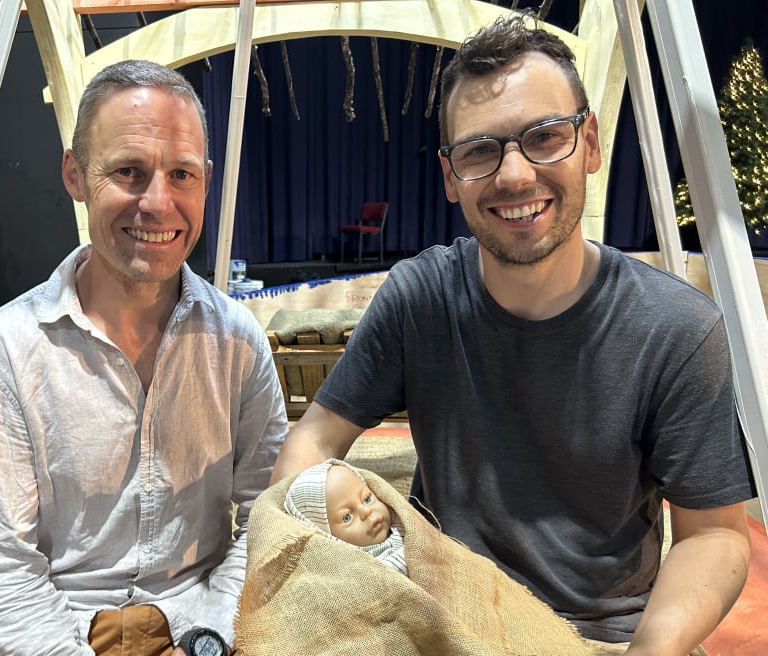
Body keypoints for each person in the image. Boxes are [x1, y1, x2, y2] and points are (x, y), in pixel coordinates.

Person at [270, 14, 755, 656]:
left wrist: (653, 649)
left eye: (544, 137)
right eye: (480, 150)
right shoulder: (421, 298)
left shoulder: (678, 331)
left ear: (590, 143)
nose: (515, 175)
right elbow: (316, 434)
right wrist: (296, 545)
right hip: (441, 618)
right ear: (450, 176)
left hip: (601, 638)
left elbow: (712, 536)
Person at [0, 59, 288, 656]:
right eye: (129, 172)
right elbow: (5, 569)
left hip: (204, 620)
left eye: (182, 175)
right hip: (58, 628)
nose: (159, 204)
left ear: (206, 182)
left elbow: (268, 518)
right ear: (75, 175)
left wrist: (210, 637)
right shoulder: (6, 346)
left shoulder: (240, 340)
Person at [283, 459, 408, 575]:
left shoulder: (406, 530)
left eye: (367, 499)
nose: (366, 511)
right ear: (325, 536)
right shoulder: (352, 573)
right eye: (347, 517)